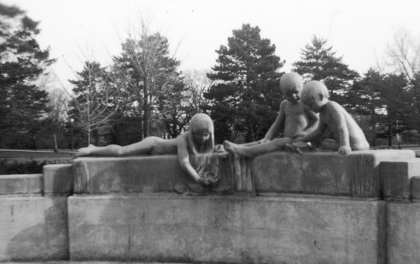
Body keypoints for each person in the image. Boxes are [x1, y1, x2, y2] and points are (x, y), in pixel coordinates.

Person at [75, 113, 225, 186]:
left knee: (122, 152)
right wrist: (198, 179)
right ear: (192, 132)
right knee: (121, 152)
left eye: (206, 135)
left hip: (156, 148)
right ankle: (93, 149)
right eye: (199, 135)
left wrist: (217, 150)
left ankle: (93, 149)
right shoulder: (183, 139)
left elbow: (203, 155)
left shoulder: (202, 143)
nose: (203, 138)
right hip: (153, 145)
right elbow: (184, 162)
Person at [224, 72, 318, 157]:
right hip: (288, 140)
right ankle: (238, 147)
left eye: (296, 92)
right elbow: (277, 123)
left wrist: (305, 134)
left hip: (301, 141)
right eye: (289, 94)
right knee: (263, 141)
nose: (293, 96)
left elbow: (317, 120)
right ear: (283, 92)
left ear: (303, 87)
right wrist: (267, 137)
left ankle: (247, 151)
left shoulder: (305, 104)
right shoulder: (285, 104)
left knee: (276, 142)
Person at [298, 80, 370, 154]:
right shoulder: (323, 113)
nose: (310, 108)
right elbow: (318, 132)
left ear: (320, 97)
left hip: (353, 144)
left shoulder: (331, 106)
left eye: (311, 104)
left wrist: (345, 145)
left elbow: (342, 126)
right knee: (325, 142)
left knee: (325, 143)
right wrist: (302, 140)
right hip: (356, 144)